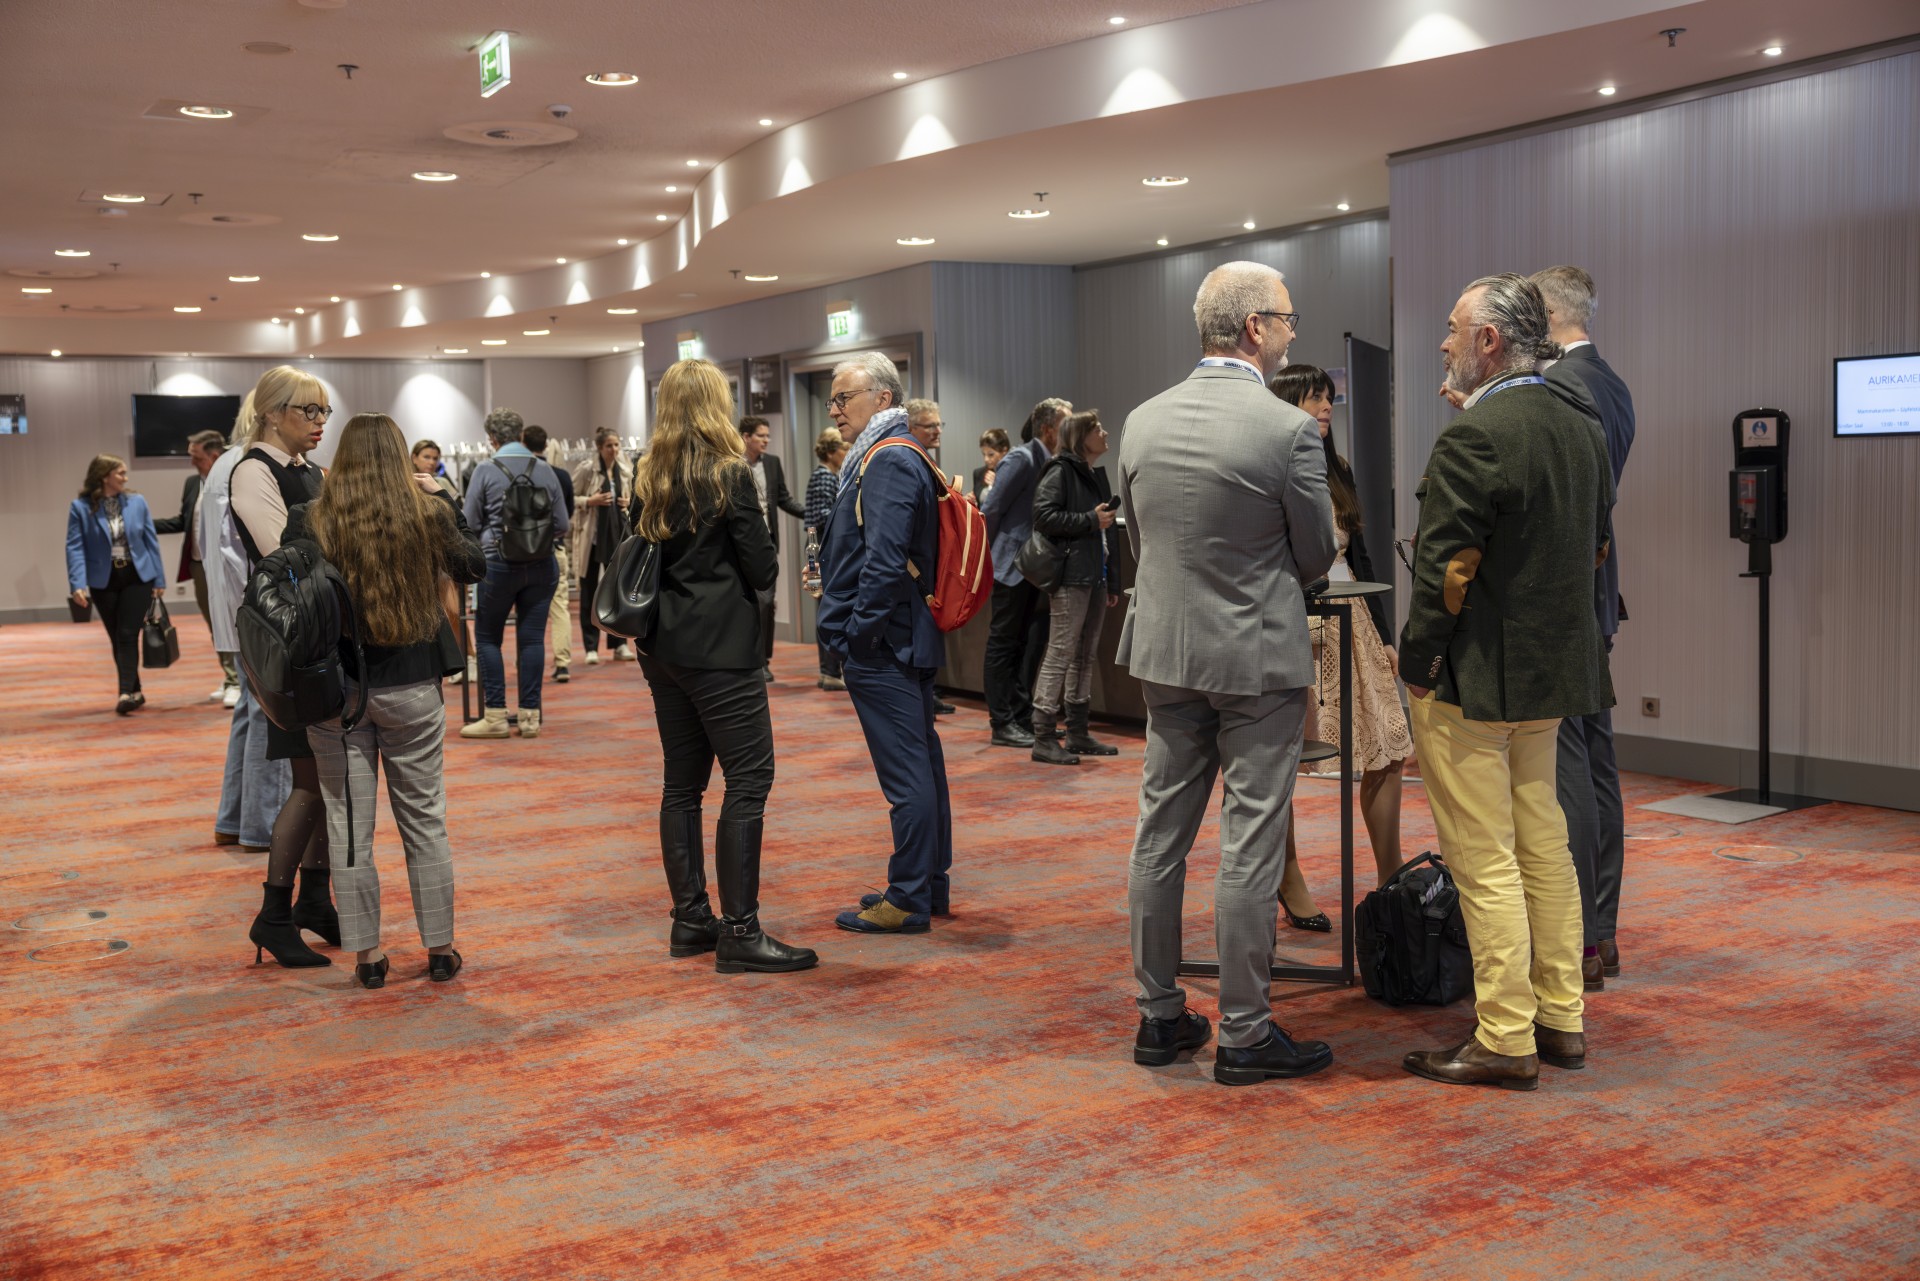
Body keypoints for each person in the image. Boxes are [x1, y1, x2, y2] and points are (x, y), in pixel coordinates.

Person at [1119, 261, 1337, 1086]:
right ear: (1254, 327)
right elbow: (1315, 554)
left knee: (1159, 835)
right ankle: (1245, 1031)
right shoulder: (1287, 430)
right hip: (1255, 658)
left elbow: (1141, 542)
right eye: (1287, 318)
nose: (1291, 332)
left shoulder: (1141, 420)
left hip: (1166, 654)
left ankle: (1158, 1015)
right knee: (1251, 840)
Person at [1398, 273, 1613, 1092]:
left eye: (1453, 329)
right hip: (1551, 675)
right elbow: (1594, 546)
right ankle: (1560, 1018)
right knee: (1544, 846)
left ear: (1489, 341)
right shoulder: (1580, 424)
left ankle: (1504, 1036)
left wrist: (1418, 666)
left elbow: (1448, 571)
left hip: (1475, 681)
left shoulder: (1476, 436)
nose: (1443, 343)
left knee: (1484, 858)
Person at [632, 360, 816, 973]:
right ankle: (739, 930)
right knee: (749, 779)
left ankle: (691, 919)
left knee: (681, 785)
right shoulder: (730, 473)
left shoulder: (648, 473)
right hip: (720, 650)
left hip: (662, 646)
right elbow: (762, 568)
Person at [296, 412, 486, 989]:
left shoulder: (313, 518)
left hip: (337, 694)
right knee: (425, 821)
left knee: (348, 826)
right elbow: (473, 565)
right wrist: (445, 499)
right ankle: (440, 949)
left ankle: (367, 957)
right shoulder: (427, 512)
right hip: (412, 686)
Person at [1269, 365, 1413, 930]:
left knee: (1387, 747)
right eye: (1314, 397)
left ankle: (1390, 878)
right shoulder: (1270, 463)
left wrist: (1385, 634)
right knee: (1279, 759)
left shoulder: (1339, 469)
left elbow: (1362, 558)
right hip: (1289, 623)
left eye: (1329, 397)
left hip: (1351, 620)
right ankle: (1288, 875)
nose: (1327, 406)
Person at [818, 352, 954, 933]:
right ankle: (927, 885)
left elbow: (884, 562)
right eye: (832, 399)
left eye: (843, 397)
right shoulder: (894, 451)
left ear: (882, 397)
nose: (834, 410)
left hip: (887, 642)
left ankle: (908, 898)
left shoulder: (890, 457)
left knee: (907, 774)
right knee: (920, 762)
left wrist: (858, 634)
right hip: (900, 635)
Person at [1534, 265, 1636, 991]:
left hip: (1563, 598)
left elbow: (1565, 497)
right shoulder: (1613, 382)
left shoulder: (1561, 385)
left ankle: (1583, 942)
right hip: (1595, 595)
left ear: (1545, 315)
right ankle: (1603, 934)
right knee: (1598, 765)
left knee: (1570, 768)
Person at [229, 365, 339, 969]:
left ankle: (314, 899)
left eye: (324, 411)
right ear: (272, 413)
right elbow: (287, 555)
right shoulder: (253, 470)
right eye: (308, 410)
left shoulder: (311, 472)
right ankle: (273, 914)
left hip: (321, 635)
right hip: (291, 643)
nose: (320, 422)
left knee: (326, 779)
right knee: (308, 780)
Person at [202, 406, 290, 852]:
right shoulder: (250, 465)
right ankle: (264, 824)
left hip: (240, 608)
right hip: (258, 610)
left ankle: (234, 819)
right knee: (270, 714)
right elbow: (246, 551)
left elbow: (208, 546)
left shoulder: (224, 463)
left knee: (250, 711)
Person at [460, 408, 571, 740]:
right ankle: (529, 717)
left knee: (488, 638)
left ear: (492, 438)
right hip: (542, 564)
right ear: (521, 435)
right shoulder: (545, 469)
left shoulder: (485, 470)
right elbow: (562, 524)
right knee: (532, 639)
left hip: (497, 564)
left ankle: (495, 715)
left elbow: (469, 522)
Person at [1027, 409, 1121, 766]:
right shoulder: (1061, 470)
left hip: (1094, 575)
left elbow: (1108, 532)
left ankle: (1078, 732)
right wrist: (1089, 519)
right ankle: (1043, 736)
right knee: (1061, 654)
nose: (1105, 432)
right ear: (1082, 437)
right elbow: (1043, 516)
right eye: (1098, 428)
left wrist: (1112, 580)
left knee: (1084, 656)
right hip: (1070, 576)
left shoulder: (1093, 474)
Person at [979, 397, 1071, 748]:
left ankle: (1019, 717)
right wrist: (987, 559)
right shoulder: (1022, 458)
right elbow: (992, 510)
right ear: (1047, 429)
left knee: (1021, 645)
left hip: (1032, 566)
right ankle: (1001, 722)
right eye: (1065, 425)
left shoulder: (1049, 459)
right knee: (1003, 645)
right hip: (1009, 566)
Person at [65, 455, 166, 715]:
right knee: (117, 637)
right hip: (104, 579)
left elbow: (150, 541)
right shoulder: (80, 507)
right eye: (120, 473)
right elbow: (75, 546)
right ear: (104, 476)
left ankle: (125, 693)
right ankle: (136, 691)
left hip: (137, 575)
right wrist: (77, 583)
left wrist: (159, 578)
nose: (125, 478)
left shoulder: (137, 501)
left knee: (127, 634)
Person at [152, 429, 238, 704]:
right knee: (214, 622)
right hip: (200, 564)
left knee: (232, 620)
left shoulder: (234, 478)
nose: (191, 462)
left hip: (227, 564)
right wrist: (144, 525)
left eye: (196, 457)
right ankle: (230, 677)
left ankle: (238, 680)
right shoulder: (192, 483)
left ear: (215, 456)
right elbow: (183, 521)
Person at [739, 415, 806, 684]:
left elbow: (784, 499)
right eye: (761, 435)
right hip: (737, 542)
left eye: (768, 435)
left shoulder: (772, 463)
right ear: (746, 437)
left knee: (766, 603)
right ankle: (742, 660)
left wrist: (814, 514)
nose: (767, 440)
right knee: (740, 603)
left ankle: (763, 661)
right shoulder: (732, 463)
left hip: (765, 542)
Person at [903, 399, 958, 716]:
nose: (938, 430)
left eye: (940, 424)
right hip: (918, 582)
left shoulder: (925, 462)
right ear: (911, 428)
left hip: (930, 578)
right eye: (931, 425)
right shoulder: (909, 462)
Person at [571, 426, 635, 669]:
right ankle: (590, 647)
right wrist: (590, 501)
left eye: (617, 445)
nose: (614, 450)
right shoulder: (587, 469)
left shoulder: (625, 469)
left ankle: (619, 644)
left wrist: (629, 502)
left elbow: (635, 498)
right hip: (592, 538)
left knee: (618, 591)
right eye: (609, 445)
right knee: (589, 592)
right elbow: (570, 498)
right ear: (599, 447)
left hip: (619, 537)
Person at [523, 426, 577, 684]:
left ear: (523, 444)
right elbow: (568, 515)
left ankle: (525, 661)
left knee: (525, 609)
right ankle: (563, 663)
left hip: (523, 551)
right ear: (546, 445)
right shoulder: (562, 476)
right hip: (554, 548)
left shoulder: (521, 474)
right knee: (559, 608)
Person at [802, 427, 848, 690]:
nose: (846, 453)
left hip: (816, 546)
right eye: (843, 448)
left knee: (825, 605)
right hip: (819, 547)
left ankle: (829, 671)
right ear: (831, 452)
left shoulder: (827, 475)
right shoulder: (824, 476)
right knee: (827, 606)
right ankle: (829, 671)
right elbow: (822, 515)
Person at [973, 427, 1010, 496]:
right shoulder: (978, 473)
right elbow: (979, 500)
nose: (986, 459)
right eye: (984, 454)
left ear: (1004, 451)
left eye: (991, 454)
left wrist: (997, 485)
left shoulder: (1014, 473)